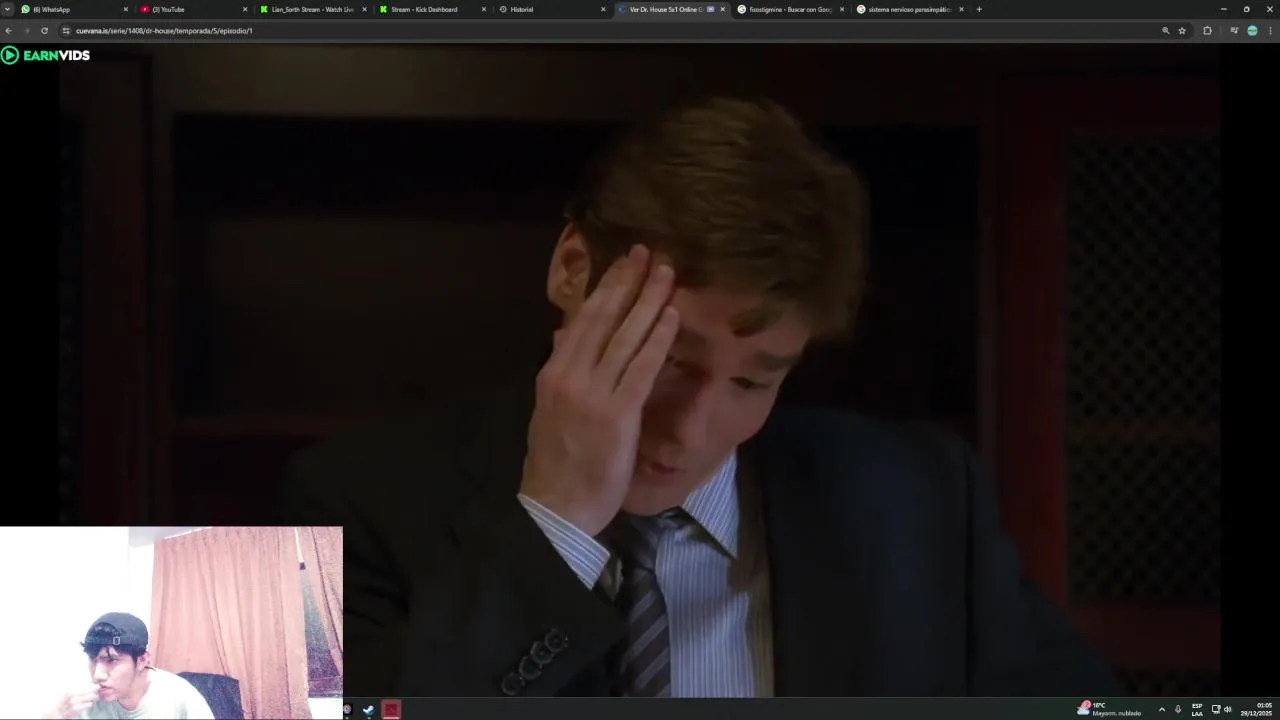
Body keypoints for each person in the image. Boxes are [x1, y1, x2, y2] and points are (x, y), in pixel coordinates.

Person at [285, 97, 1125, 697]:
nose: (688, 432)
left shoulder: (921, 497)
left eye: (753, 381)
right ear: (573, 270)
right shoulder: (336, 500)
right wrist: (553, 528)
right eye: (666, 358)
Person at [44, 613, 215, 719]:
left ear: (142, 660)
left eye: (111, 660)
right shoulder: (84, 701)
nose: (97, 675)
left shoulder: (180, 698)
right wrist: (59, 714)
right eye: (93, 660)